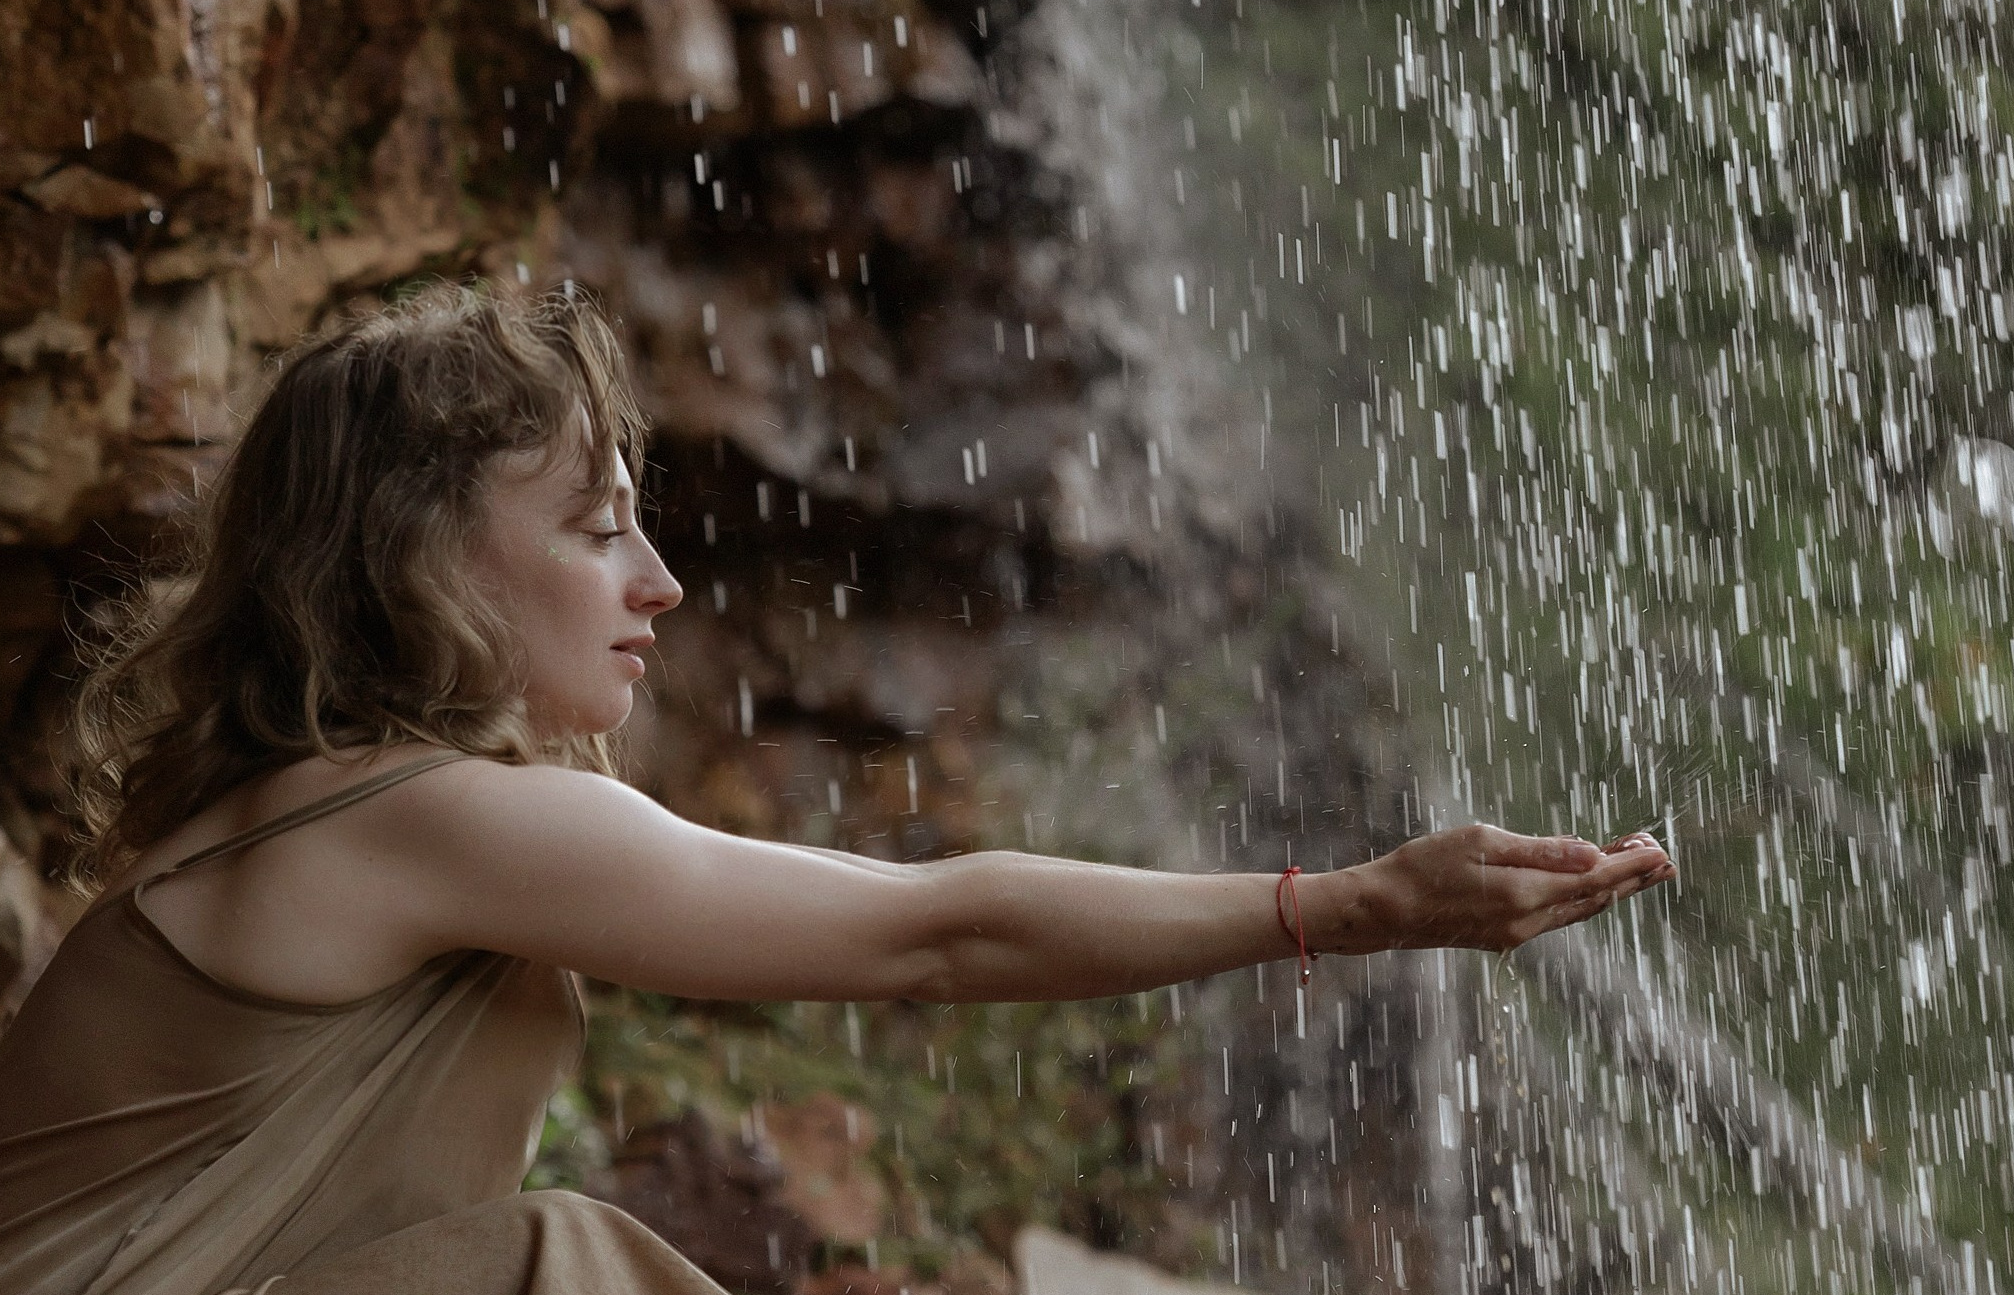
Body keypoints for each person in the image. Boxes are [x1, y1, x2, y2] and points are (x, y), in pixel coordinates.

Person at [0, 286, 1674, 1295]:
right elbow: (930, 936)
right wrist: (1356, 904)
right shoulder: (414, 814)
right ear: (416, 555)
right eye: (595, 530)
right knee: (555, 1264)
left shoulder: (348, 806)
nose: (657, 581)